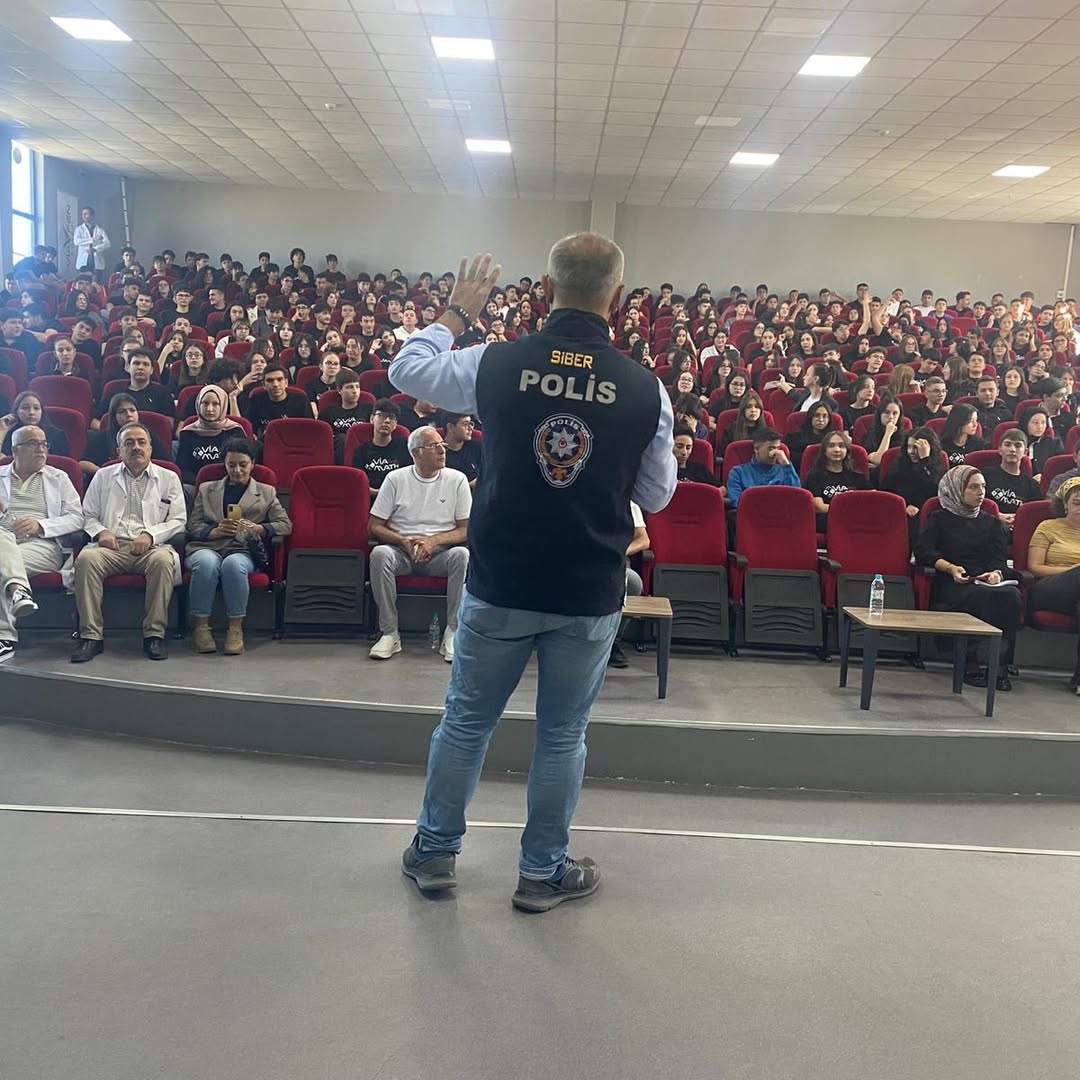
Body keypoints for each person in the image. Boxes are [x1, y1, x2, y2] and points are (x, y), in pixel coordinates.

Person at [390, 241, 676, 911]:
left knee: (466, 723)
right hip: (587, 590)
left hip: (503, 580)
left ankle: (434, 853)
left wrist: (459, 313)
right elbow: (657, 496)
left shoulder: (496, 362)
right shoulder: (646, 389)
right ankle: (542, 872)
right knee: (562, 736)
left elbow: (408, 369)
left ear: (546, 286)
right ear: (618, 294)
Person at [72, 423, 187, 662]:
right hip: (110, 546)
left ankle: (154, 635)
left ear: (151, 448)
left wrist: (151, 535)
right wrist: (101, 532)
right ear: (119, 450)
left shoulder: (168, 477)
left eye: (141, 442)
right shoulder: (103, 476)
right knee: (86, 559)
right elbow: (88, 514)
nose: (136, 447)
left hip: (151, 547)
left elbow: (178, 520)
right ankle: (91, 636)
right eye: (129, 443)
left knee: (163, 562)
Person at [367, 426, 471, 662]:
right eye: (435, 446)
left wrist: (433, 541)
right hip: (402, 552)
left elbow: (466, 529)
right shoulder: (395, 479)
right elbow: (374, 525)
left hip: (440, 555)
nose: (442, 451)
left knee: (462, 556)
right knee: (380, 554)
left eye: (442, 445)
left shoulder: (457, 480)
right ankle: (389, 633)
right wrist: (403, 541)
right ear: (416, 452)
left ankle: (452, 631)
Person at [915, 465, 1021, 691]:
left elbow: (998, 559)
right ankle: (968, 661)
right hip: (951, 581)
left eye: (983, 487)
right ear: (956, 489)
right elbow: (923, 552)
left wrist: (996, 573)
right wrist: (951, 568)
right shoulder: (939, 519)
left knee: (1011, 595)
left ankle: (1000, 664)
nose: (980, 492)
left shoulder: (993, 523)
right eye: (973, 487)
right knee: (979, 596)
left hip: (984, 580)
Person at [184, 437, 292, 656]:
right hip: (207, 545)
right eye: (231, 465)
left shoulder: (266, 492)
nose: (237, 470)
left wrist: (259, 528)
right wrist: (213, 531)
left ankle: (235, 629)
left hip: (242, 549)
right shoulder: (206, 488)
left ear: (253, 463)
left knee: (233, 565)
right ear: (224, 464)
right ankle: (201, 628)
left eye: (243, 464)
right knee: (206, 562)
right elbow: (193, 524)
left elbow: (285, 524)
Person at [0, 426, 85, 662]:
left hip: (43, 545)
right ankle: (18, 592)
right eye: (32, 443)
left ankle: (5, 636)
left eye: (44, 443)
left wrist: (40, 525)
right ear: (15, 450)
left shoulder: (59, 477)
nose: (41, 449)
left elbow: (77, 518)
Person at [1027, 476, 1080, 692]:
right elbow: (1035, 567)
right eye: (1077, 503)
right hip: (1048, 588)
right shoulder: (1048, 527)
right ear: (1065, 504)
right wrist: (1074, 571)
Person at [883, 427, 945, 543]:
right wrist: (905, 505)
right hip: (901, 511)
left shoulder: (936, 466)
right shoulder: (899, 465)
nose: (911, 451)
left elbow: (938, 491)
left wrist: (925, 460)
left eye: (916, 448)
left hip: (928, 513)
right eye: (909, 447)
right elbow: (887, 491)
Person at [175, 384, 245, 486]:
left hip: (229, 484)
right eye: (205, 403)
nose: (209, 409)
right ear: (198, 404)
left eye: (216, 404)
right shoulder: (187, 433)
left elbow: (240, 466)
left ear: (223, 405)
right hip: (195, 485)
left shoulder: (234, 431)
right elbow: (183, 469)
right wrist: (201, 485)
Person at [804, 430, 868, 531]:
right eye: (831, 446)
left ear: (847, 451)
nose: (837, 450)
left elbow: (870, 502)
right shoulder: (814, 477)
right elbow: (819, 507)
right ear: (824, 451)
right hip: (829, 523)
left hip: (856, 525)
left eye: (841, 446)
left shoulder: (859, 477)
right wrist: (848, 511)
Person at [979, 429, 1041, 526]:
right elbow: (974, 504)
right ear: (1000, 449)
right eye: (1007, 445)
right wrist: (997, 515)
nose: (1012, 449)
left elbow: (1033, 516)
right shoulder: (985, 474)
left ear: (1025, 452)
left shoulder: (1032, 486)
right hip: (987, 525)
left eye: (1018, 446)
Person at [726, 427, 800, 507]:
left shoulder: (785, 470)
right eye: (771, 448)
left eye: (778, 448)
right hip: (750, 513)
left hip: (781, 512)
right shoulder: (738, 472)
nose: (775, 453)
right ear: (756, 449)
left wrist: (786, 464)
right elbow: (737, 502)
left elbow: (796, 496)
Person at [351, 398, 411, 489]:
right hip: (371, 496)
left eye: (391, 417)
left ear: (395, 424)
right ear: (372, 419)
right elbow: (358, 482)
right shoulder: (361, 451)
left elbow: (409, 478)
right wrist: (379, 493)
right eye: (381, 415)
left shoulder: (404, 446)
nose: (387, 420)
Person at [245, 365, 311, 439]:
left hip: (295, 440)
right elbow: (251, 429)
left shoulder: (301, 400)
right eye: (270, 380)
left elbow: (309, 429)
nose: (275, 384)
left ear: (286, 382)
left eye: (279, 379)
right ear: (263, 385)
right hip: (266, 442)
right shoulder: (256, 400)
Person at [0, 391, 70, 458]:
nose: (31, 412)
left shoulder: (57, 435)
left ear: (42, 412)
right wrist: (2, 430)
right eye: (25, 408)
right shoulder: (8, 434)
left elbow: (63, 464)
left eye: (36, 408)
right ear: (16, 411)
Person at [1019, 405, 1064, 483]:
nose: (1040, 427)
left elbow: (1059, 471)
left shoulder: (1055, 444)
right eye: (1035, 423)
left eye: (1043, 422)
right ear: (1025, 423)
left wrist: (1044, 477)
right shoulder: (1016, 444)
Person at [862, 398, 906, 468]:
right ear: (880, 414)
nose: (891, 417)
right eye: (887, 412)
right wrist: (888, 434)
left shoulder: (905, 436)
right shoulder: (870, 435)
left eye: (895, 413)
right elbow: (879, 459)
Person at [938, 403, 986, 467]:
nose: (975, 425)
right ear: (959, 421)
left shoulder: (978, 443)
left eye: (976, 420)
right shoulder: (942, 444)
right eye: (971, 421)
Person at [442, 412, 482, 487]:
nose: (470, 428)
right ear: (450, 427)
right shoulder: (440, 452)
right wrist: (468, 486)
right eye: (465, 424)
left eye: (471, 424)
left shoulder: (476, 446)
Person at [73, 206, 111, 277]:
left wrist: (95, 249)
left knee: (97, 282)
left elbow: (107, 243)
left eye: (86, 214)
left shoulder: (100, 230)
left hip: (96, 261)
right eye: (83, 214)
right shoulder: (79, 229)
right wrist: (92, 239)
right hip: (83, 261)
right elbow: (76, 241)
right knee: (83, 281)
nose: (84, 216)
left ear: (92, 215)